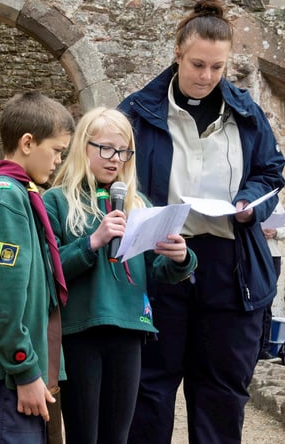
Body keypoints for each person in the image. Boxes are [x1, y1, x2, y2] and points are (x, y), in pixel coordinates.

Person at [118, 0, 285, 444]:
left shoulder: (247, 114)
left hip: (230, 266)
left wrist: (251, 203)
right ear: (177, 53)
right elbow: (111, 179)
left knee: (222, 391)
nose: (206, 76)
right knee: (149, 389)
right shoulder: (135, 112)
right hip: (161, 261)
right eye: (197, 64)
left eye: (217, 67)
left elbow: (271, 173)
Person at [42, 107, 198, 444]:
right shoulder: (57, 201)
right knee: (85, 434)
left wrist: (181, 258)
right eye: (107, 149)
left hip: (130, 329)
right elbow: (48, 270)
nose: (116, 159)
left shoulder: (137, 202)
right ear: (84, 146)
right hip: (81, 328)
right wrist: (93, 242)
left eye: (124, 151)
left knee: (117, 435)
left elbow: (157, 270)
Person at [0, 92, 74, 444]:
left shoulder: (20, 194)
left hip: (17, 371)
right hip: (8, 375)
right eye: (56, 150)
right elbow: (2, 293)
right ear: (28, 142)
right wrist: (24, 369)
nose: (58, 160)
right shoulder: (7, 197)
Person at [258, 200, 285, 361]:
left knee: (266, 302)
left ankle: (263, 348)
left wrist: (275, 232)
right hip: (251, 253)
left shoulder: (275, 202)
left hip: (272, 256)